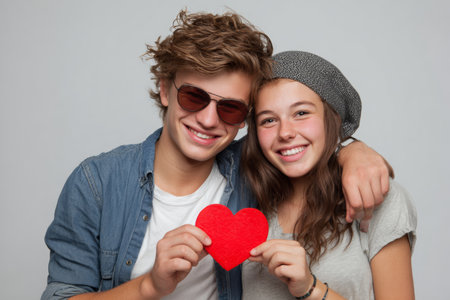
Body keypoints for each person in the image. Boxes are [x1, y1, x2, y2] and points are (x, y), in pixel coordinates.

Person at [41, 10, 391, 300]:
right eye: (194, 97)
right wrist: (150, 286)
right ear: (165, 89)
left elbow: (301, 142)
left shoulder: (257, 172)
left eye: (230, 108)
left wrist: (352, 150)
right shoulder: (97, 183)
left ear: (246, 119)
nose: (208, 120)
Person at [241, 50, 417, 300]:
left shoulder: (375, 197)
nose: (285, 132)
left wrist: (310, 288)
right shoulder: (244, 199)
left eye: (301, 113)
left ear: (331, 117)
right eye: (268, 120)